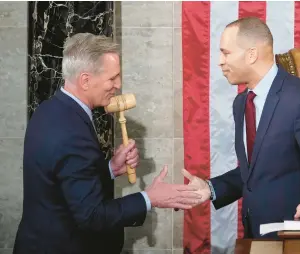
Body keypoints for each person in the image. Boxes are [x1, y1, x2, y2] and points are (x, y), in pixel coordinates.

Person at [13, 33, 202, 254]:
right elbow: (92, 216)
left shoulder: (50, 109)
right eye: (113, 78)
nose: (118, 85)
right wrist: (150, 198)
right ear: (85, 80)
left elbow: (68, 181)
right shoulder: (71, 131)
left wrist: (110, 168)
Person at [182, 17, 300, 239]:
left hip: (296, 238)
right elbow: (255, 173)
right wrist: (210, 189)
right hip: (255, 235)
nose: (220, 61)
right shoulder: (241, 103)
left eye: (226, 53)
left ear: (251, 54)